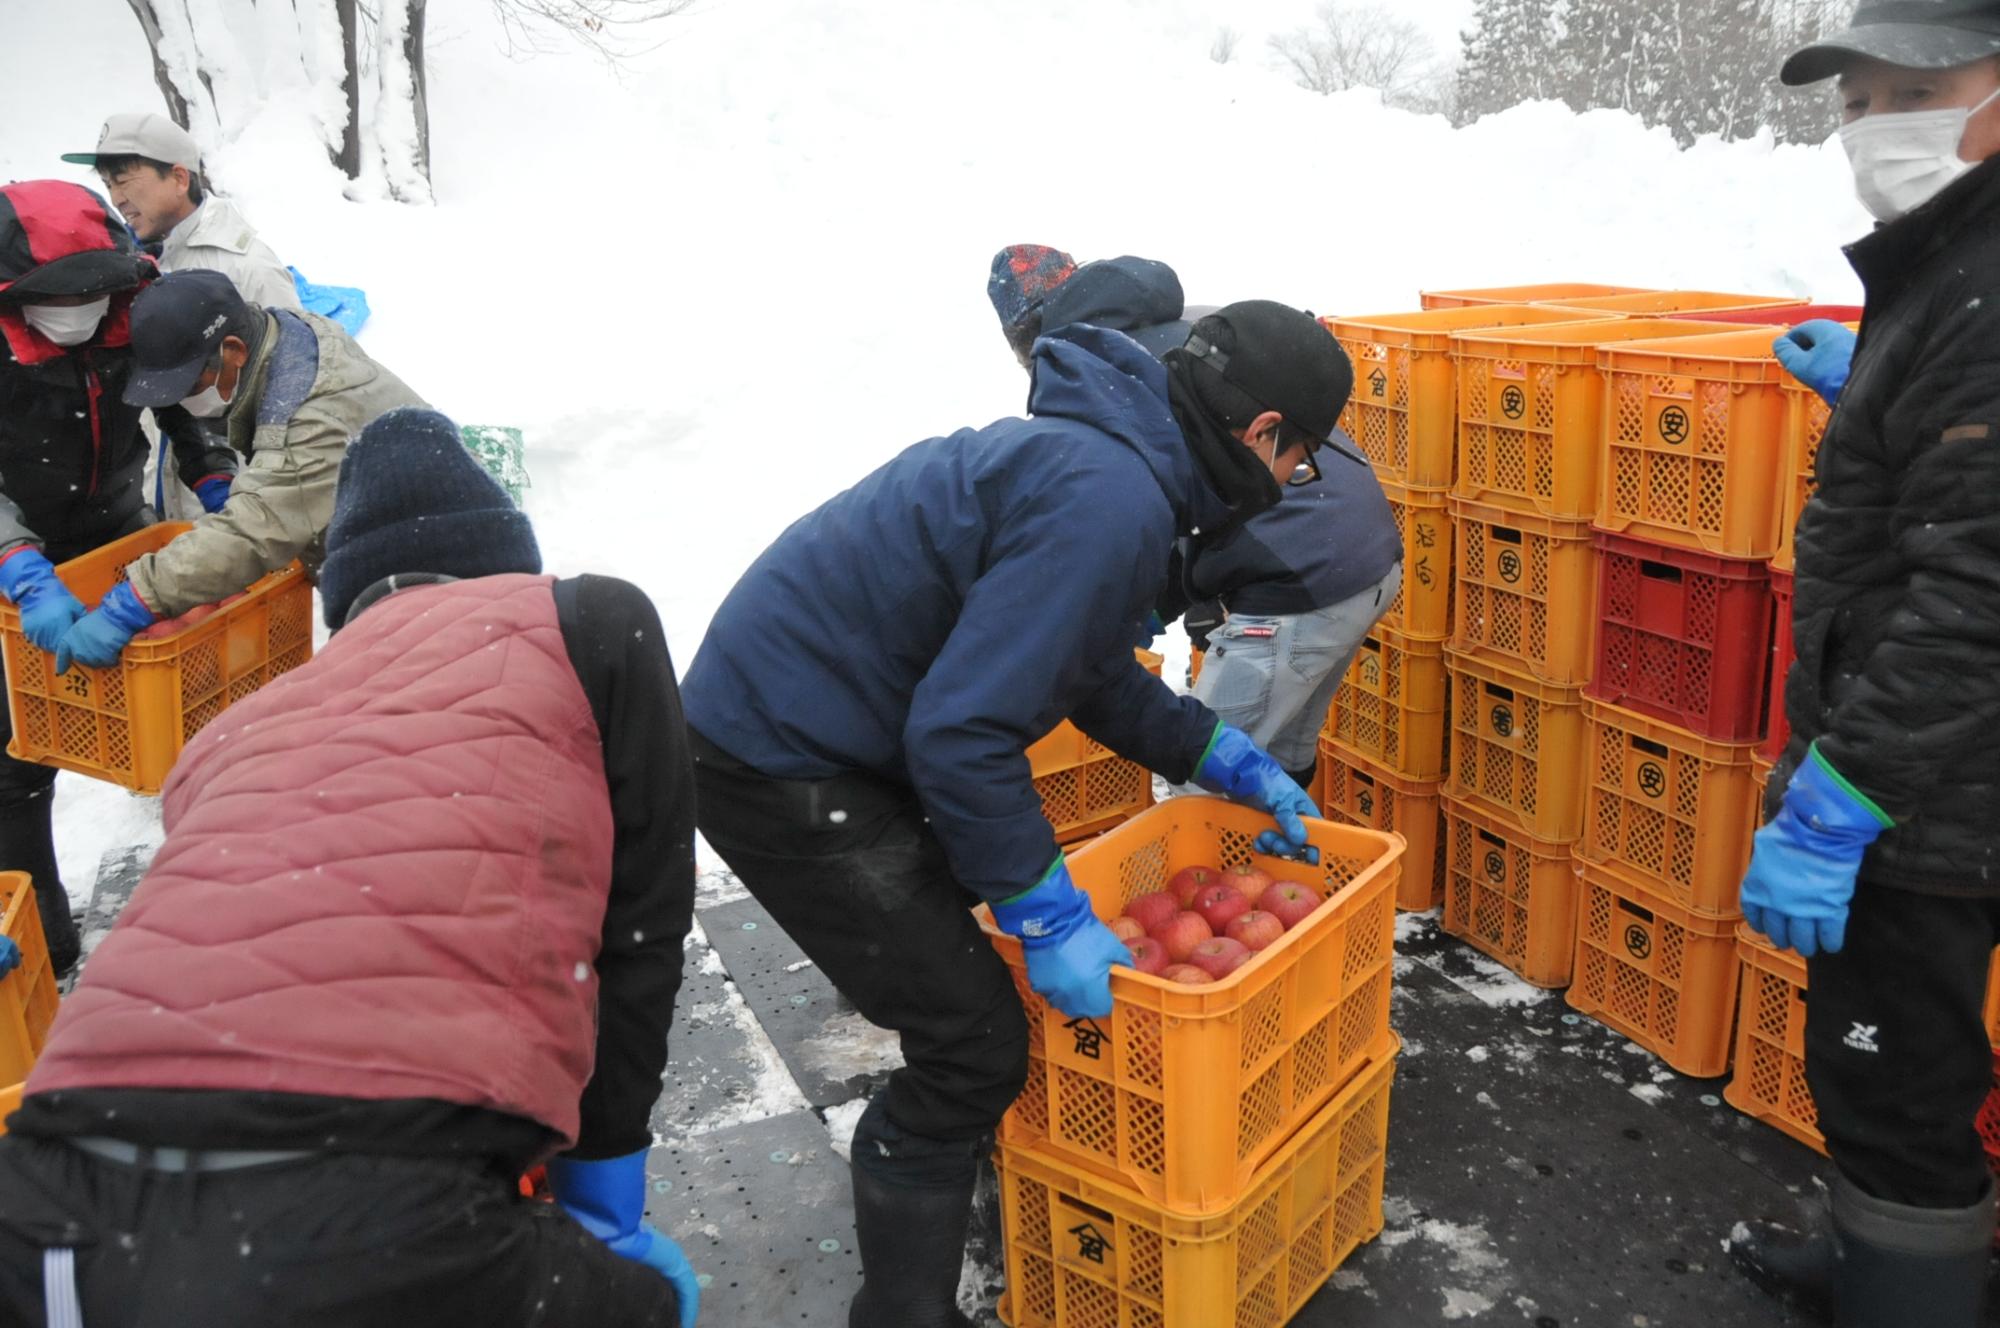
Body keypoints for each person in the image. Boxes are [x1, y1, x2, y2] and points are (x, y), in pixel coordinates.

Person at [683, 298, 1341, 1327]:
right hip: (779, 753)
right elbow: (959, 732)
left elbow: (1072, 663)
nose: (1286, 483)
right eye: (1296, 461)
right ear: (1261, 431)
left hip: (820, 722)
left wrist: (1218, 752)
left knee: (967, 973)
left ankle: (974, 1197)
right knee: (970, 1038)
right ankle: (903, 1312)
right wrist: (1048, 913)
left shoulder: (1115, 464)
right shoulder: (1111, 498)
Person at [0, 407, 700, 1328]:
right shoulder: (590, 620)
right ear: (510, 560)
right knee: (653, 1307)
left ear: (346, 598)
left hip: (48, 1204)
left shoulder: (230, 729)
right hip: (361, 1210)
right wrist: (604, 1175)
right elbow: (637, 929)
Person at [1726, 5, 2000, 1325]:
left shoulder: (1986, 285)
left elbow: (1979, 605)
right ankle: (1877, 1257)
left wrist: (1842, 800)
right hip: (1935, 774)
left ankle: (1909, 1294)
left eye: (1925, 88)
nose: (1884, 126)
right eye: (1861, 100)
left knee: (1898, 1083)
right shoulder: (1956, 264)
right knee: (1889, 1068)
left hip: (1931, 792)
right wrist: (1880, 398)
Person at [997, 251, 1402, 791]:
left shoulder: (1095, 375)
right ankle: (1279, 862)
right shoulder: (1198, 332)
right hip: (1365, 556)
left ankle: (1230, 858)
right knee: (1277, 756)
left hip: (1303, 573)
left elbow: (1152, 508)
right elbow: (1195, 485)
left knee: (1201, 779)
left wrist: (1123, 617)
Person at [0, 180, 240, 976]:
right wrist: (19, 566)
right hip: (19, 564)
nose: (80, 311)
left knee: (182, 717)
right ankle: (50, 949)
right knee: (16, 761)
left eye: (95, 294)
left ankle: (224, 900)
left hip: (117, 530)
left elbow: (175, 403)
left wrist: (214, 475)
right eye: (57, 299)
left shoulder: (129, 313)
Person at [53, 267, 424, 674]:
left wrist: (135, 602)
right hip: (397, 571)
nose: (189, 402)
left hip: (426, 591)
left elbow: (252, 531)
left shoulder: (311, 414)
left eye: (190, 387)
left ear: (234, 350)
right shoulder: (292, 340)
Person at [64, 112, 301, 312]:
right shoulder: (121, 260)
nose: (115, 199)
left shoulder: (249, 270)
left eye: (124, 181)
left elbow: (294, 360)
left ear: (179, 179)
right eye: (108, 185)